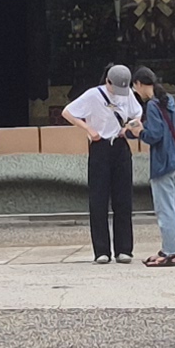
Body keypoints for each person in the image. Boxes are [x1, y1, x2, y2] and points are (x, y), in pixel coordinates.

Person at [64, 62, 142, 263]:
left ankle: (124, 249)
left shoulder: (126, 94)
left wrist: (128, 128)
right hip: (100, 146)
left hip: (120, 146)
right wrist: (88, 129)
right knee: (98, 200)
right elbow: (68, 112)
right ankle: (101, 251)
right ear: (108, 81)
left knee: (123, 199)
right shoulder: (93, 95)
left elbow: (137, 113)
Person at [137, 70, 175, 266]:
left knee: (164, 209)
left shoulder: (152, 105)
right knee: (171, 207)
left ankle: (169, 252)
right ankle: (169, 248)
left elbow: (154, 135)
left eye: (135, 87)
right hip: (174, 158)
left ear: (140, 84)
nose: (136, 91)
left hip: (162, 162)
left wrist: (139, 131)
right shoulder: (168, 100)